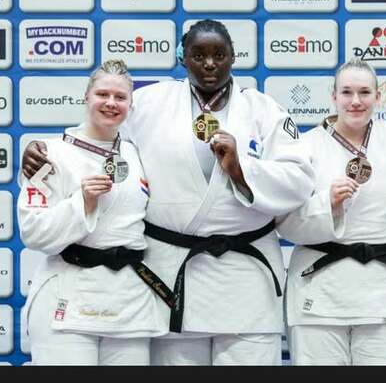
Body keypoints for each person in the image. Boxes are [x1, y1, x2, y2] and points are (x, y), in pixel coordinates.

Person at [21, 19, 314, 366]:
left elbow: (299, 180)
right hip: (171, 272)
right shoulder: (150, 102)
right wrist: (47, 150)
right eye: (198, 55)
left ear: (234, 56)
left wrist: (241, 170)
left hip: (245, 274)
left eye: (219, 55)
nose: (209, 64)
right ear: (182, 58)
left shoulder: (264, 109)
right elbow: (101, 135)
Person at [17, 59, 168, 365]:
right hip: (68, 299)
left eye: (120, 97)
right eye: (102, 94)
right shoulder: (49, 153)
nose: (111, 103)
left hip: (128, 303)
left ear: (130, 105)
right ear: (86, 97)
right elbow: (33, 232)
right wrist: (82, 202)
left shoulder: (137, 154)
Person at [276, 57, 386, 365]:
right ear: (333, 96)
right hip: (319, 287)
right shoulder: (304, 147)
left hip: (383, 288)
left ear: (378, 96)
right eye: (346, 92)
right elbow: (283, 222)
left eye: (365, 92)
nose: (356, 101)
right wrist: (326, 203)